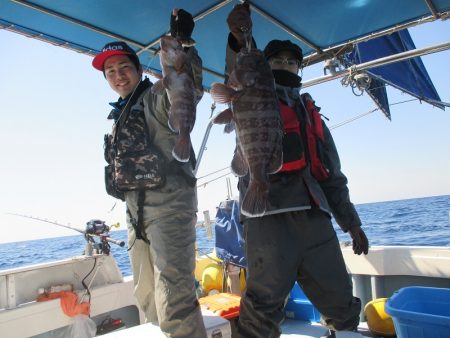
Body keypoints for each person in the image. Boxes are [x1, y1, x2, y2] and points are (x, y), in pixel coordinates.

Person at [225, 4, 370, 338]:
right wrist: (238, 38)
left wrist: (352, 223)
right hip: (269, 220)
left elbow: (332, 176)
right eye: (278, 61)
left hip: (316, 221)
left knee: (342, 304)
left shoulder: (310, 114)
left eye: (293, 61)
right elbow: (241, 71)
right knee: (261, 311)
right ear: (266, 65)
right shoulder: (252, 94)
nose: (286, 66)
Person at [92, 8, 207, 338]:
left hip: (169, 210)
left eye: (123, 67)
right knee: (147, 297)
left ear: (140, 68)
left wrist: (183, 47)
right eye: (110, 71)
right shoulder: (121, 114)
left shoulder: (157, 95)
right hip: (135, 217)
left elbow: (188, 87)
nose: (117, 75)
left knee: (175, 301)